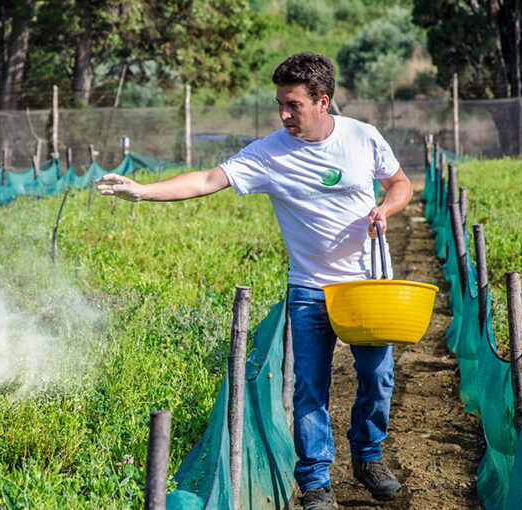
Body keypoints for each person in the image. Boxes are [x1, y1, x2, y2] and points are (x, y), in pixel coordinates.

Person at [96, 52, 412, 510]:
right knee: (309, 387)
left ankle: (367, 456)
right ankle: (317, 482)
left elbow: (399, 183)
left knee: (378, 378)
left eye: (294, 105)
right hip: (308, 288)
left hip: (365, 285)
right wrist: (142, 191)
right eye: (280, 104)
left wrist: (386, 208)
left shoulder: (364, 138)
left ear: (323, 102)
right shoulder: (268, 154)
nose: (284, 113)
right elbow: (207, 178)